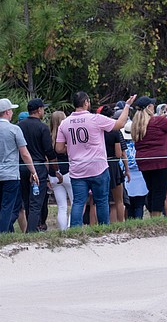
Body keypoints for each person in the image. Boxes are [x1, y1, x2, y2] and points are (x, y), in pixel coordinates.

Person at [55, 91, 136, 227]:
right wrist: (127, 106)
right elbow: (120, 124)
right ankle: (103, 228)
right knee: (102, 200)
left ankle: (75, 230)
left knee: (78, 202)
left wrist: (73, 148)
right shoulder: (95, 119)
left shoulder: (65, 123)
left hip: (77, 169)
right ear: (86, 102)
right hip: (97, 168)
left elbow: (59, 148)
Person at [0, 98, 38, 235]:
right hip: (11, 174)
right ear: (6, 112)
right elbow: (24, 153)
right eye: (11, 110)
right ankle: (2, 232)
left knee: (1, 206)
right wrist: (33, 171)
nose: (12, 113)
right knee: (9, 206)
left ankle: (7, 233)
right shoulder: (14, 129)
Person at [133, 97, 167, 217]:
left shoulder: (137, 124)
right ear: (149, 108)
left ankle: (152, 215)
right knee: (159, 192)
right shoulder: (158, 121)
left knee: (151, 190)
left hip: (144, 161)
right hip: (161, 161)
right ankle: (155, 218)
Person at [18, 98, 58, 232]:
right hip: (37, 166)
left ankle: (30, 228)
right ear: (39, 110)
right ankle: (31, 231)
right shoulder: (42, 127)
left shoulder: (19, 126)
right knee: (36, 201)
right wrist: (55, 168)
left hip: (22, 166)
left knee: (26, 199)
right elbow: (48, 150)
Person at [48, 111, 73, 230]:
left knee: (61, 206)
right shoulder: (67, 135)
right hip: (68, 171)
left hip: (53, 173)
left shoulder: (48, 137)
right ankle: (71, 227)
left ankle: (63, 230)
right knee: (75, 203)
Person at [121, 119, 148, 219]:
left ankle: (129, 222)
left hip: (127, 177)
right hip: (141, 176)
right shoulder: (141, 145)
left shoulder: (122, 147)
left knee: (129, 204)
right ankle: (138, 222)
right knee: (139, 204)